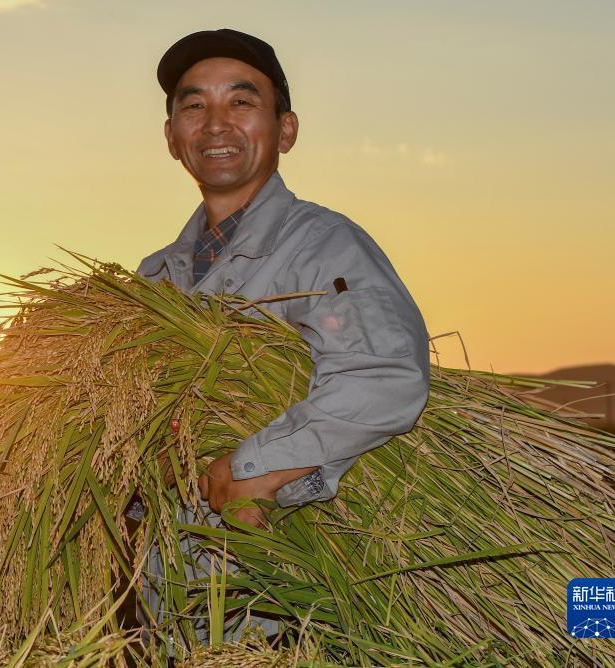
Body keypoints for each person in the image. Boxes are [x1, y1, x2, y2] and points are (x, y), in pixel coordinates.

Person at [134, 28, 430, 645]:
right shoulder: (152, 280)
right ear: (171, 138)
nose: (216, 123)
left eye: (241, 102)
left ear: (286, 130)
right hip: (174, 609)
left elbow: (383, 378)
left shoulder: (324, 247)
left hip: (289, 608)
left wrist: (250, 466)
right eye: (194, 106)